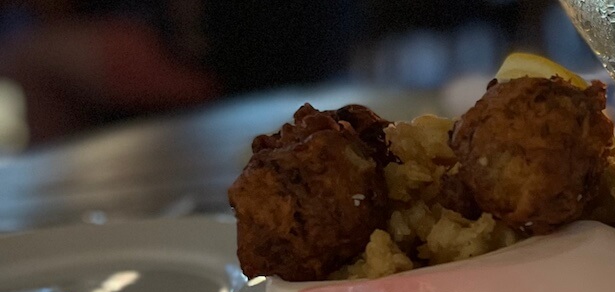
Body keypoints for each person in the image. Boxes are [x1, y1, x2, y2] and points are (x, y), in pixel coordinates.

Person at [0, 0, 364, 146]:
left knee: (30, 59)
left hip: (236, 67)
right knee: (30, 56)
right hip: (275, 66)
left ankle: (61, 225)